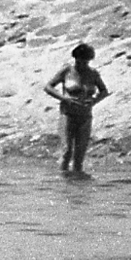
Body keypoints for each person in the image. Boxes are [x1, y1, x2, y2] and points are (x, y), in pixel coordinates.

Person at [43, 42, 109, 176]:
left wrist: (94, 101)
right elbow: (48, 87)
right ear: (75, 59)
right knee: (67, 151)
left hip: (85, 117)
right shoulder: (67, 71)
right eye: (80, 62)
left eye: (86, 62)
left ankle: (78, 187)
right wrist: (64, 98)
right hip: (68, 115)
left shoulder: (93, 74)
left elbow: (104, 91)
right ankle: (63, 182)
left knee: (79, 156)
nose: (82, 65)